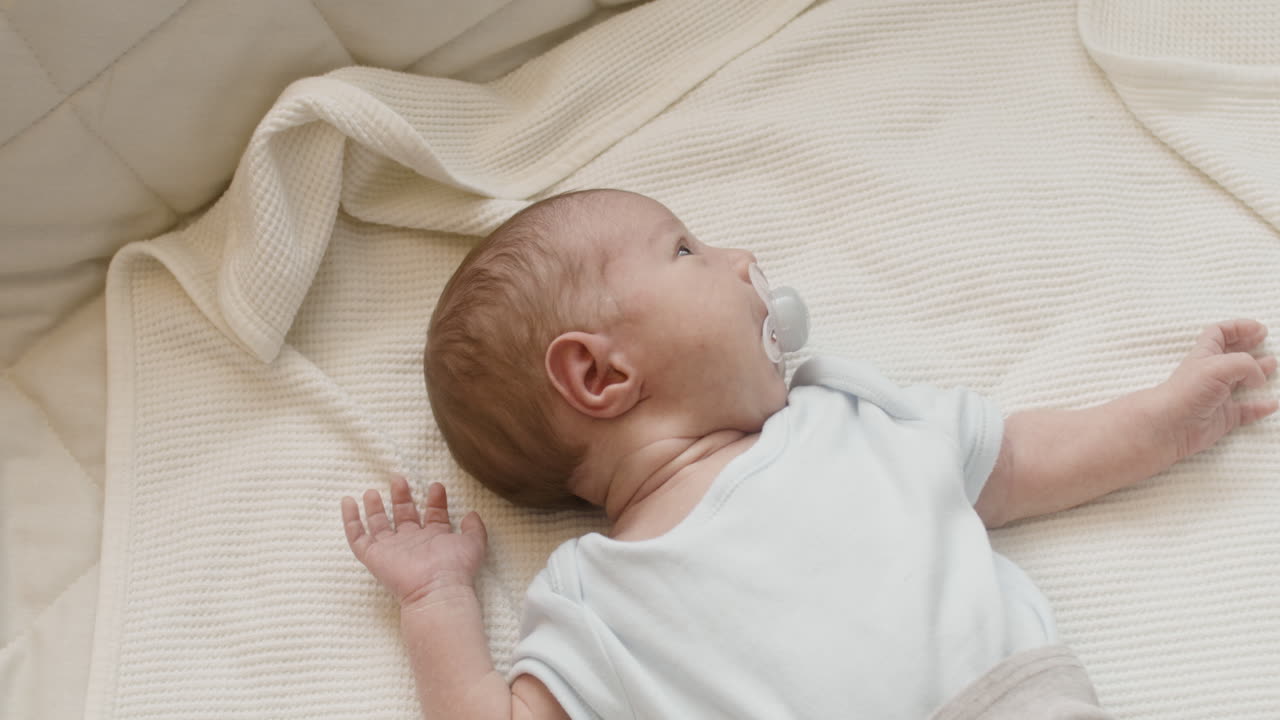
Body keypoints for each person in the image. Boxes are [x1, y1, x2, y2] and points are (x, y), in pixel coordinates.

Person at [340, 189, 1277, 719]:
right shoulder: (590, 599)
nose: (741, 255)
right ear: (598, 374)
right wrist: (437, 603)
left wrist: (1164, 421)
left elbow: (1020, 458)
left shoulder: (842, 409)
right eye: (685, 250)